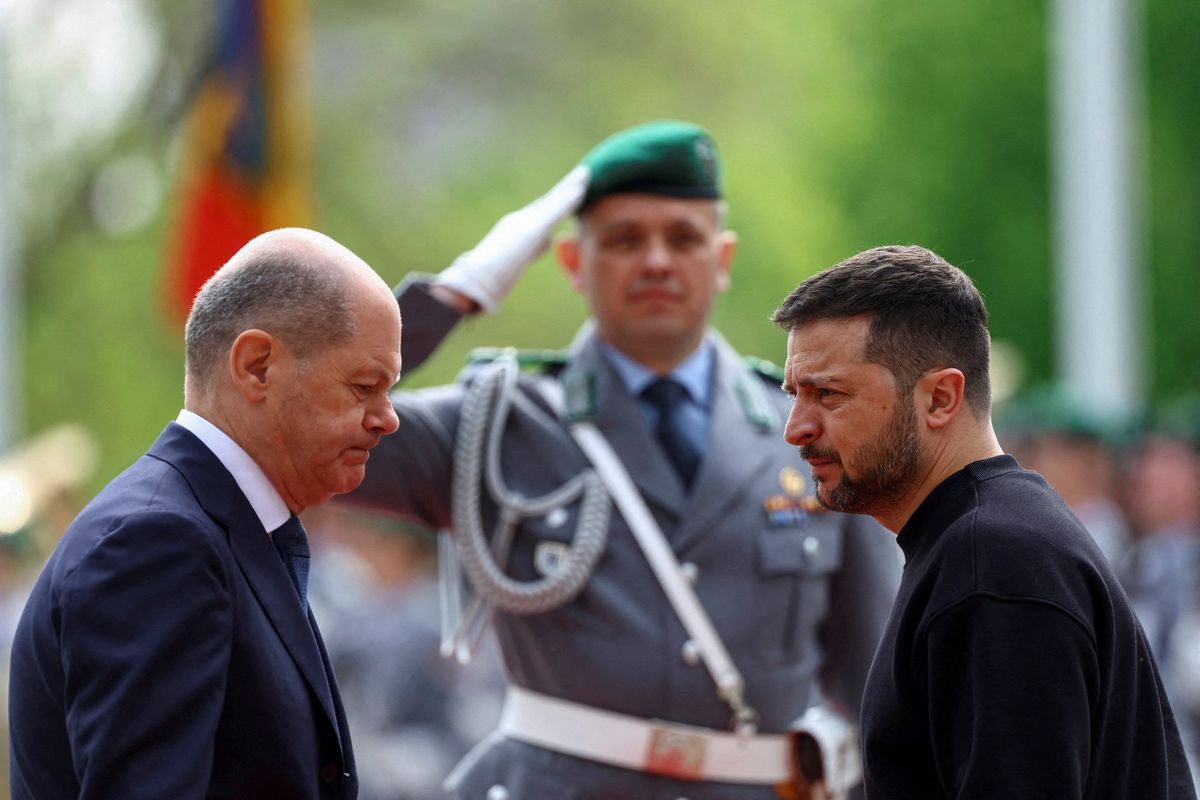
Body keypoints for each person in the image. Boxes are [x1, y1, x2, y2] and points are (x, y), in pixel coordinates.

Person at [346, 121, 901, 799]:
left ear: (722, 258)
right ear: (574, 263)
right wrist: (452, 296)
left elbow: (873, 683)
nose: (658, 261)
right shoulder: (495, 420)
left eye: (684, 237)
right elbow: (317, 426)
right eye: (625, 239)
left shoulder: (814, 431)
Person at [772, 244, 1197, 799]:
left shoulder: (992, 562)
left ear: (941, 398)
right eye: (794, 395)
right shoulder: (989, 540)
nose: (796, 428)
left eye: (828, 394)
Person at [8, 228, 403, 799]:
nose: (388, 419)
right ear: (257, 366)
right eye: (365, 385)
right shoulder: (158, 543)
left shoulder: (216, 530)